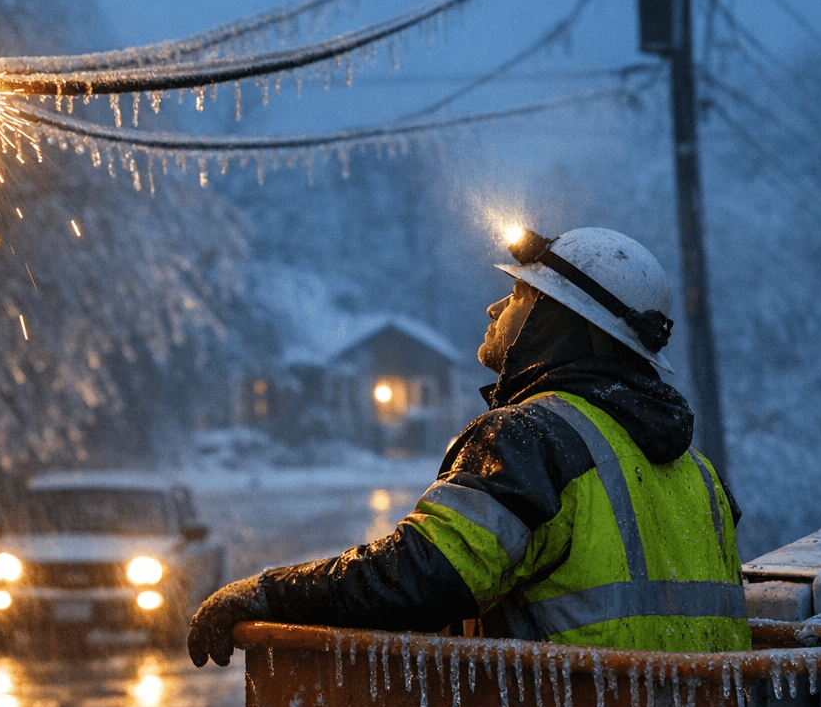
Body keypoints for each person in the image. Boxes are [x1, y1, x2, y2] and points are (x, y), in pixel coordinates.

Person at [187, 226, 750, 668]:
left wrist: (268, 593)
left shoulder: (531, 437)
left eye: (519, 294)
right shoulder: (702, 475)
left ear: (558, 323)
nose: (494, 308)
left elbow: (422, 576)